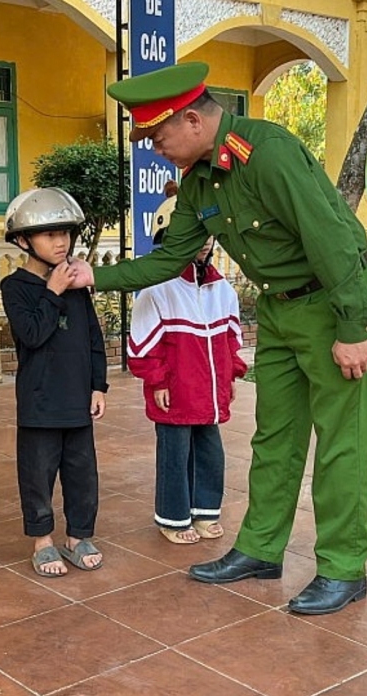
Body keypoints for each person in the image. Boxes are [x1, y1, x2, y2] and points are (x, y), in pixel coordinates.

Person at [70, 61, 367, 615]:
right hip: (281, 312)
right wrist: (93, 277)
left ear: (192, 120)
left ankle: (343, 566)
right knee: (275, 436)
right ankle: (261, 548)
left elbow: (332, 239)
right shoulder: (200, 182)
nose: (155, 149)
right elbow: (171, 257)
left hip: (332, 302)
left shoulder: (270, 153)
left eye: (159, 137)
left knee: (342, 444)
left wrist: (353, 328)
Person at [127, 183, 247, 543]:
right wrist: (158, 381)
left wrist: (229, 380)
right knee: (174, 455)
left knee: (210, 451)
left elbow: (230, 343)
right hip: (174, 390)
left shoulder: (222, 290)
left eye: (207, 236)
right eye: (193, 235)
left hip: (208, 392)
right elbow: (143, 346)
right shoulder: (157, 288)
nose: (203, 243)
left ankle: (205, 511)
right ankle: (172, 517)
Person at [1, 187, 108, 577]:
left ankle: (79, 536)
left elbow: (93, 338)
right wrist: (53, 292)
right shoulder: (15, 288)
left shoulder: (76, 283)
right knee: (38, 474)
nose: (60, 241)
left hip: (78, 399)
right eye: (49, 234)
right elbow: (31, 334)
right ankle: (42, 540)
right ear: (23, 240)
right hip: (40, 403)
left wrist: (99, 385)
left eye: (65, 232)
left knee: (83, 473)